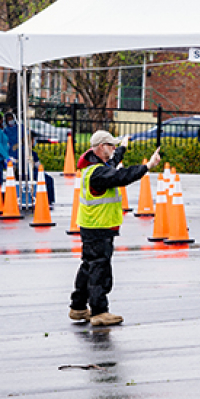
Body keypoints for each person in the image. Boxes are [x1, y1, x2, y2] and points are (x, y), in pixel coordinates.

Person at [69, 131, 161, 326]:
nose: (113, 149)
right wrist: (148, 166)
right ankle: (99, 312)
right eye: (111, 146)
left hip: (90, 225)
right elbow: (121, 176)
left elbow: (113, 164)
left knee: (88, 266)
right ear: (101, 147)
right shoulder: (99, 173)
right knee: (99, 269)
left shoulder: (95, 167)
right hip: (99, 227)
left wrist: (123, 148)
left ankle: (78, 307)